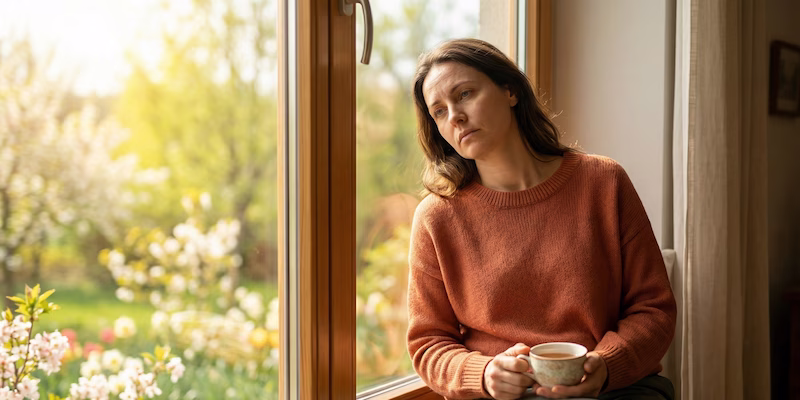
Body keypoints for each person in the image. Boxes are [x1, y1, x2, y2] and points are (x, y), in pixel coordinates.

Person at [406, 38, 677, 400]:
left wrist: (607, 365)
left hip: (611, 391)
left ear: (510, 91)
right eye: (438, 111)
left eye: (465, 94)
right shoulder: (436, 218)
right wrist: (484, 374)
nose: (454, 115)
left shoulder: (603, 182)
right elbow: (428, 344)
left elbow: (654, 310)